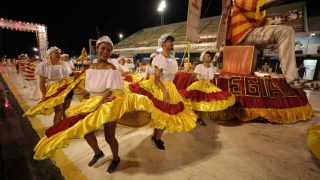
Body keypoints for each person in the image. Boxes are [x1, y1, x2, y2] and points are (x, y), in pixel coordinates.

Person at [129, 34, 197, 150]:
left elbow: (172, 75)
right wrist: (164, 91)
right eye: (169, 41)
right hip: (160, 88)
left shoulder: (172, 59)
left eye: (172, 41)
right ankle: (157, 138)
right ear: (163, 44)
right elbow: (156, 79)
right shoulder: (158, 58)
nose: (172, 43)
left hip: (170, 88)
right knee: (164, 116)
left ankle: (156, 137)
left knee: (165, 116)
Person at [227, 0, 299, 84]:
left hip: (250, 34)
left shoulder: (253, 10)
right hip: (244, 35)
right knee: (286, 31)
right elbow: (260, 5)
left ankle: (290, 77)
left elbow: (263, 22)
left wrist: (287, 17)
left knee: (283, 35)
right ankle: (292, 79)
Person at [179, 50, 235, 126]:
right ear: (203, 58)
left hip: (208, 86)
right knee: (196, 100)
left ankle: (199, 118)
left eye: (209, 56)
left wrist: (225, 76)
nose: (209, 57)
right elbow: (194, 76)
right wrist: (194, 74)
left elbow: (215, 76)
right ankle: (193, 117)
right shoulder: (199, 66)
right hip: (199, 85)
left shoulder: (212, 67)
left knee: (204, 102)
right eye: (208, 56)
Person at [35, 47, 73, 124]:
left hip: (67, 88)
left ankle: (65, 128)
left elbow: (69, 76)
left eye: (59, 53)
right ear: (50, 55)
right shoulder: (44, 65)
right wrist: (44, 95)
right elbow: (42, 82)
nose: (59, 54)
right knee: (59, 110)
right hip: (54, 90)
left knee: (66, 110)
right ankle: (56, 131)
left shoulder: (65, 64)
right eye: (56, 53)